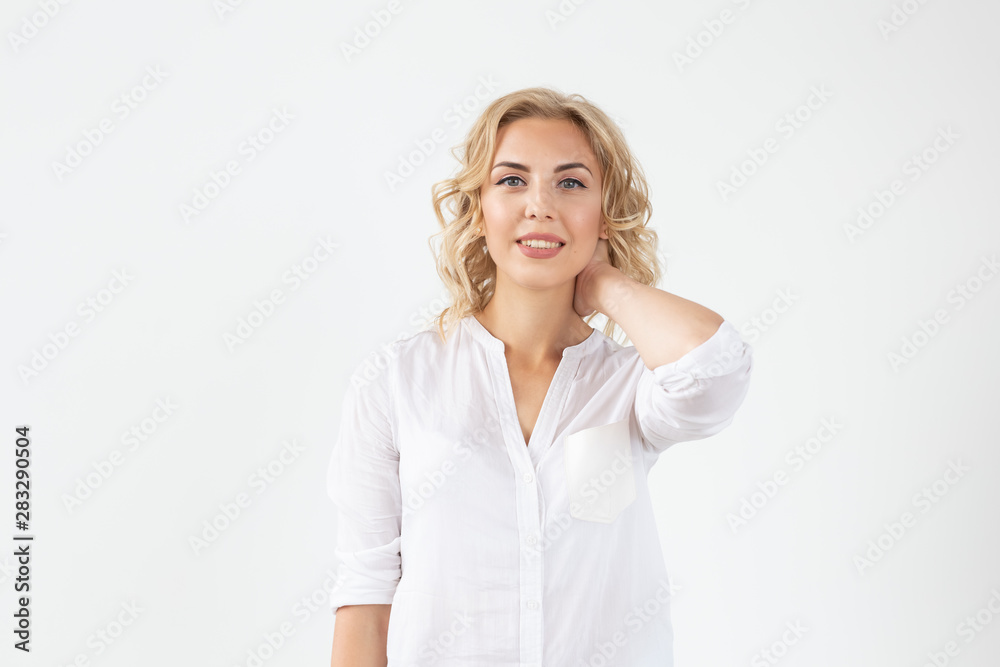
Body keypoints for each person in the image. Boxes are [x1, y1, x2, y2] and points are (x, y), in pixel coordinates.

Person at [327, 86, 754, 666]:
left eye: (571, 183)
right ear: (478, 209)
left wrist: (604, 285)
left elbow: (715, 369)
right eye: (512, 180)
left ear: (605, 215)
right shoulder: (397, 380)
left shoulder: (631, 387)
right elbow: (366, 593)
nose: (540, 205)